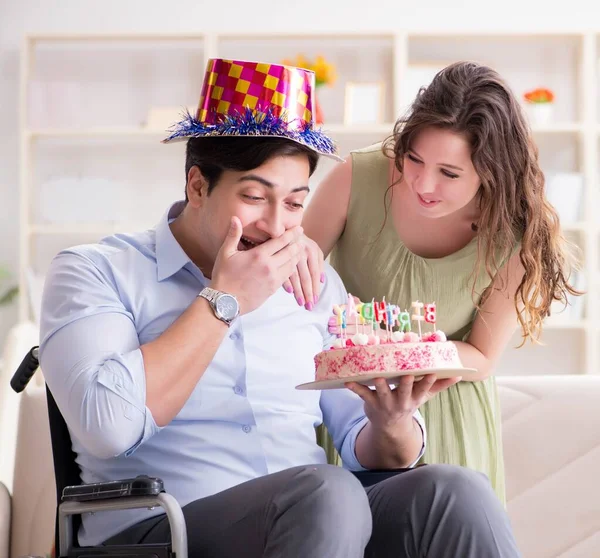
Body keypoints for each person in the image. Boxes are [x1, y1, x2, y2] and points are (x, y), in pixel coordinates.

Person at [39, 58, 521, 557]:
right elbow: (107, 429)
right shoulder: (96, 272)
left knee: (455, 492)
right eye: (254, 196)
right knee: (325, 492)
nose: (275, 225)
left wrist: (392, 421)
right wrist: (222, 302)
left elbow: (369, 445)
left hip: (317, 519)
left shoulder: (311, 283)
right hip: (164, 530)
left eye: (294, 204)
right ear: (198, 186)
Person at [300, 60, 581, 504]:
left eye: (449, 173)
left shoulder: (516, 233)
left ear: (491, 172)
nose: (423, 184)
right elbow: (290, 282)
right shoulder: (357, 178)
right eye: (414, 159)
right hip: (352, 410)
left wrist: (393, 354)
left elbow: (483, 356)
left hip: (446, 409)